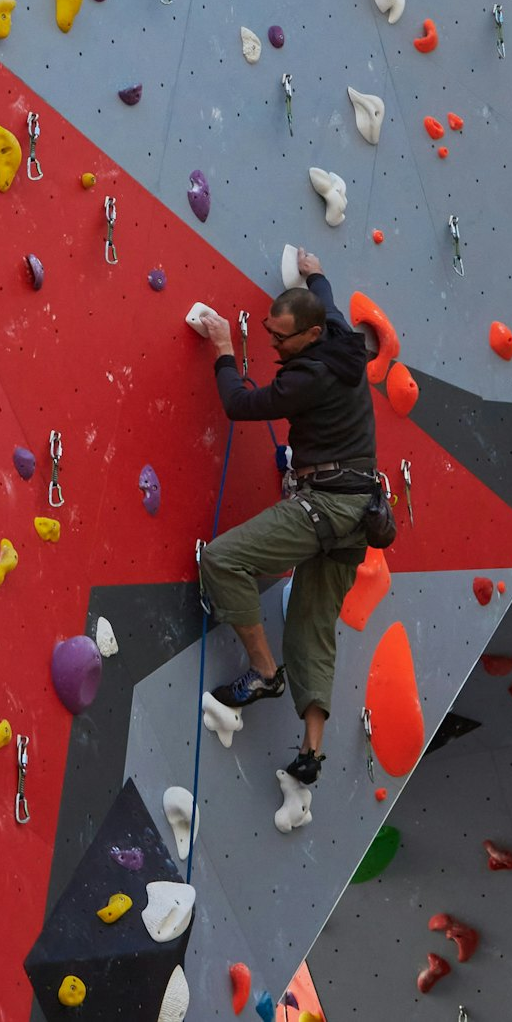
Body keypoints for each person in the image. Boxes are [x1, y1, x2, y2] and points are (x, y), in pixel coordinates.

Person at [197, 248, 376, 786]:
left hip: (324, 504)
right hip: (361, 510)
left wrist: (226, 349)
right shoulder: (340, 336)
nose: (273, 345)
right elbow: (323, 296)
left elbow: (240, 405)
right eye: (269, 334)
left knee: (224, 560)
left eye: (280, 338)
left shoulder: (309, 378)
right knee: (312, 625)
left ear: (311, 336)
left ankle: (263, 673)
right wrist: (315, 269)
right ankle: (310, 753)